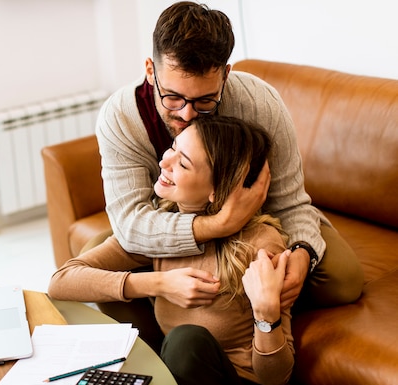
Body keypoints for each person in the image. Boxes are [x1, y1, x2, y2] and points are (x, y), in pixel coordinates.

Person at [94, 1, 363, 310]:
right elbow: (130, 225)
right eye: (172, 98)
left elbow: (290, 202)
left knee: (343, 278)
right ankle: (166, 344)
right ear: (150, 71)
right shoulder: (120, 118)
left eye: (205, 101)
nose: (187, 114)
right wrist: (220, 224)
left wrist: (302, 254)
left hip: (256, 227)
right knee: (98, 261)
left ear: (225, 75)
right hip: (170, 229)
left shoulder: (260, 103)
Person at [49, 116, 297, 385]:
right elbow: (61, 281)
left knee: (185, 340)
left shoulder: (260, 245)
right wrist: (159, 283)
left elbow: (275, 380)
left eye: (184, 163)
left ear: (217, 191)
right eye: (173, 147)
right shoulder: (159, 228)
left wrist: (266, 313)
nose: (165, 162)